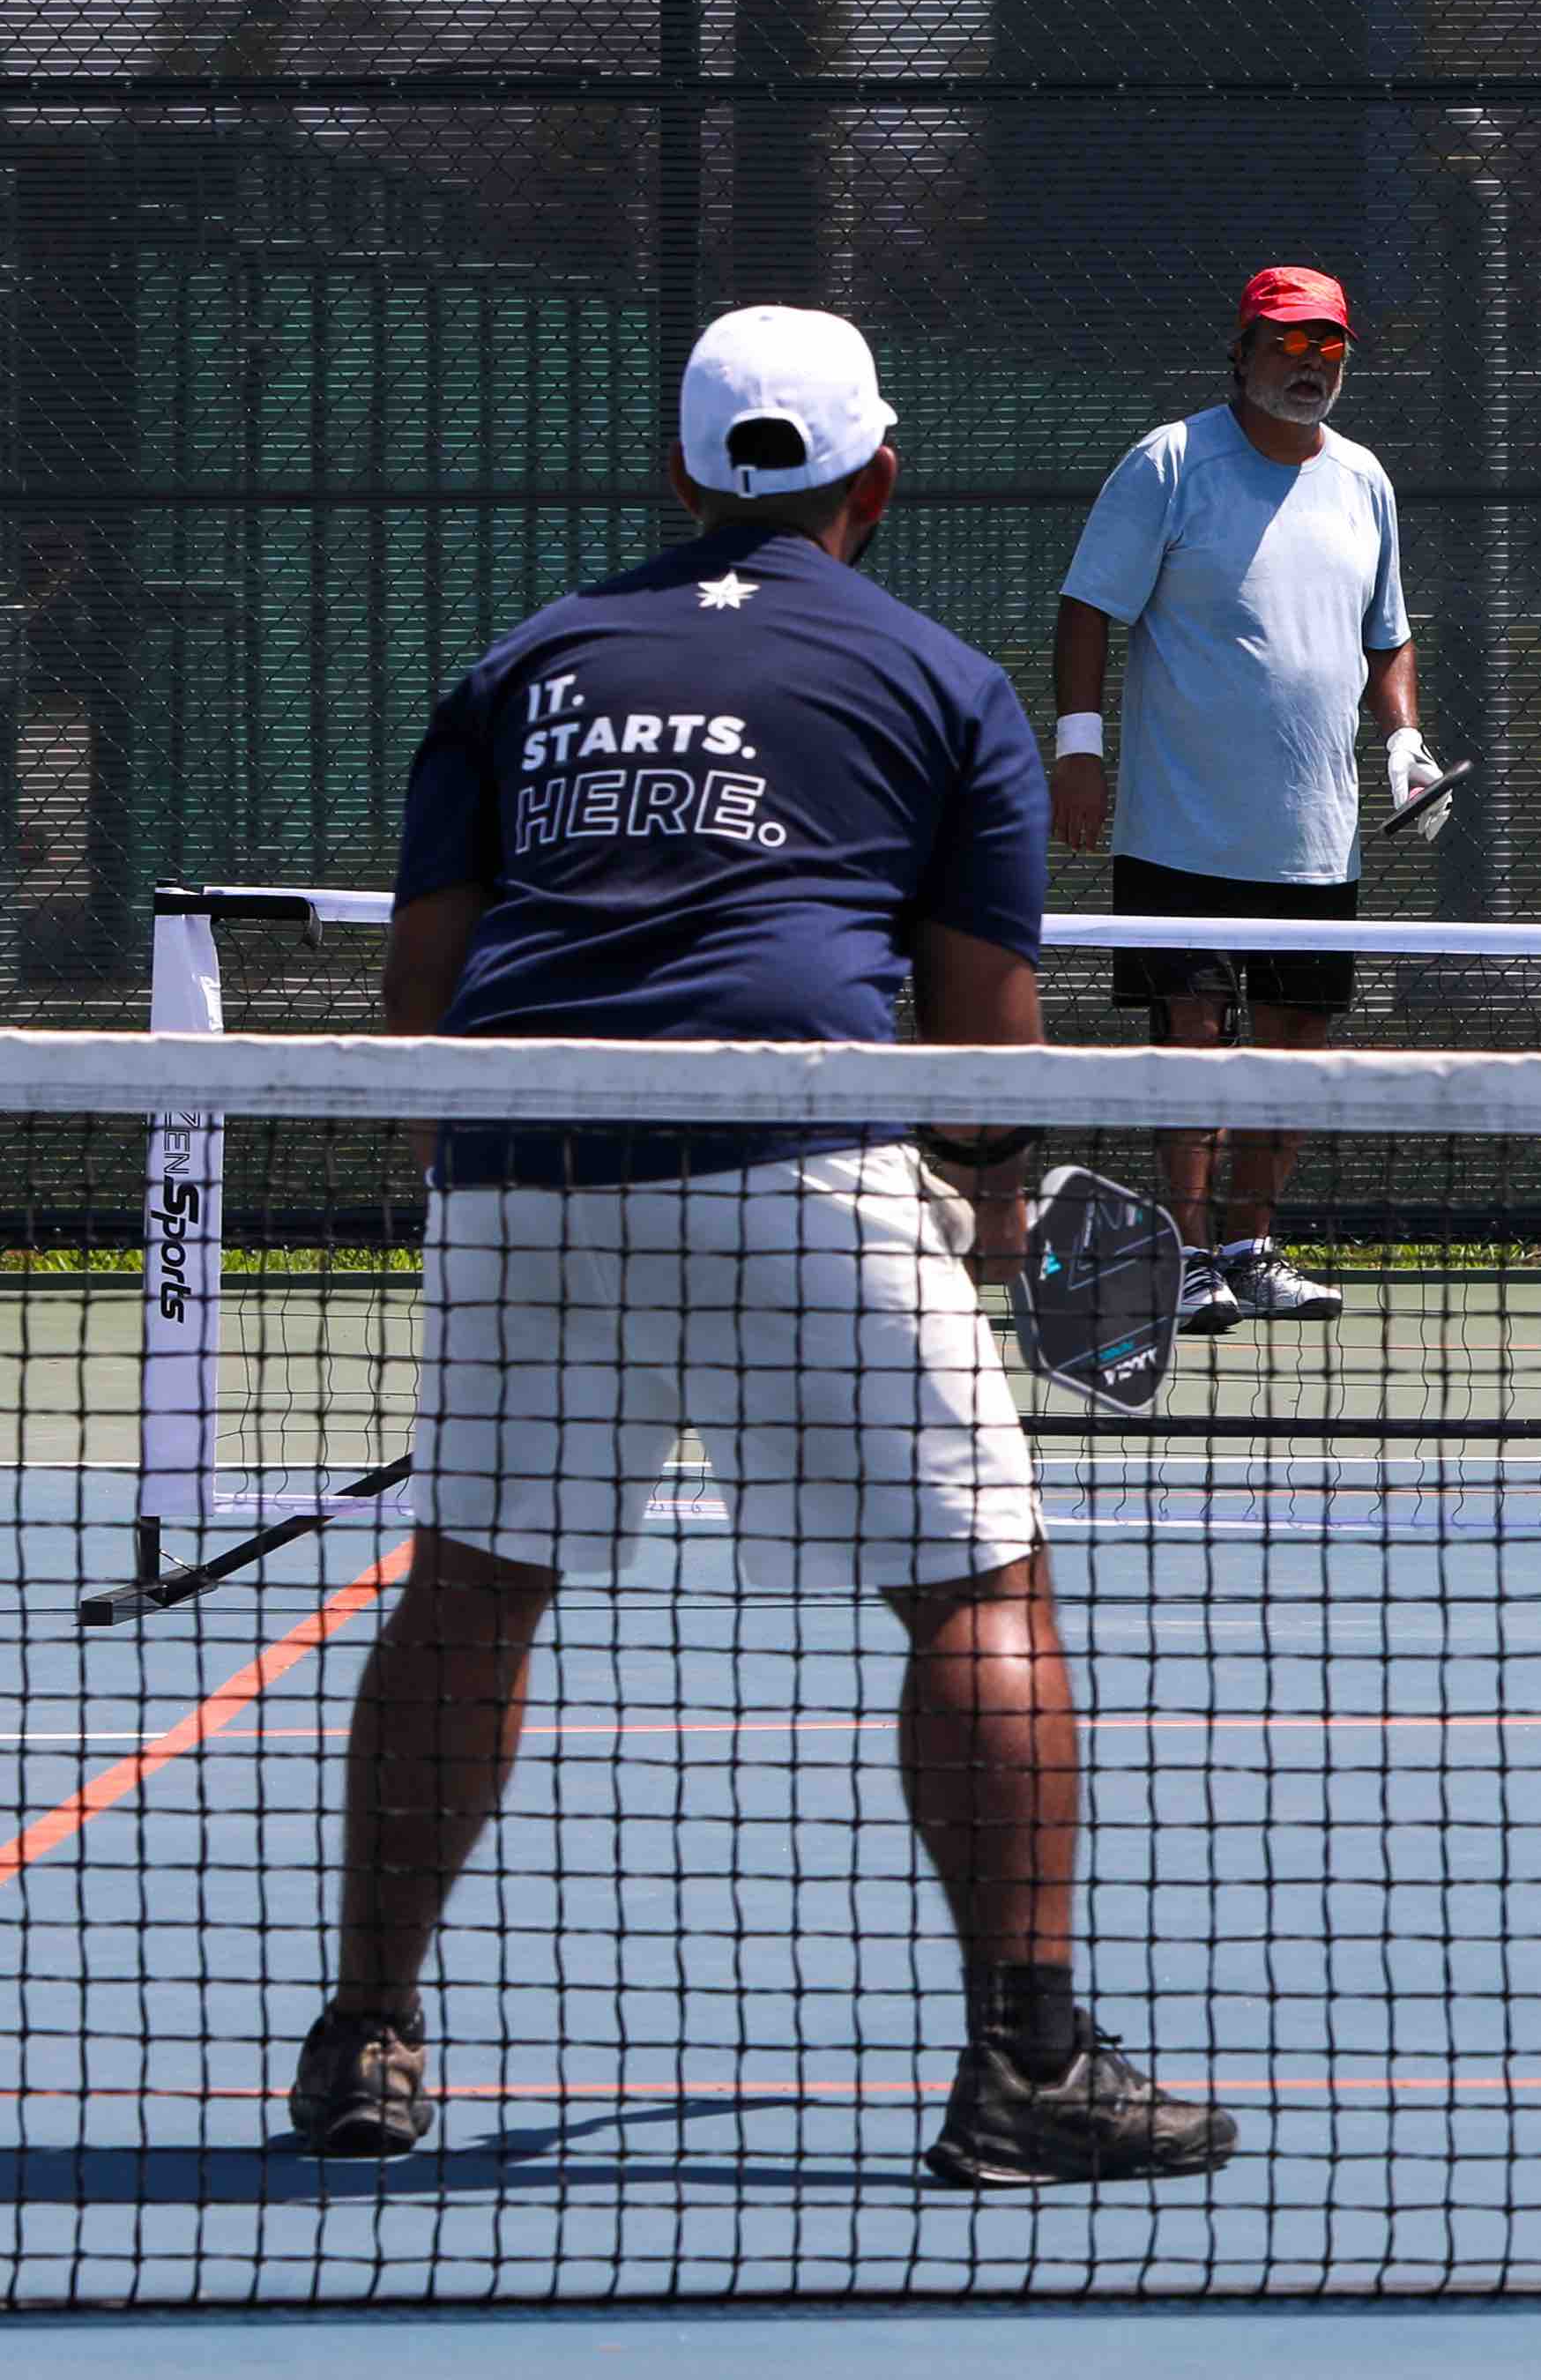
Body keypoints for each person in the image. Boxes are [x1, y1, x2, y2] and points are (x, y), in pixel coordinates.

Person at [296, 305, 1233, 2186]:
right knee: (980, 1593)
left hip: (517, 1150)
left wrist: (505, 1199)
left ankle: (363, 2038)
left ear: (677, 471)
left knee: (476, 1580)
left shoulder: (517, 664)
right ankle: (1029, 2065)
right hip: (794, 1157)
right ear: (876, 477)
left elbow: (423, 992)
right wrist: (977, 1183)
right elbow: (980, 1018)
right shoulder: (946, 681)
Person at [1049, 264, 1449, 1336]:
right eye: (1285, 344)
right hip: (1179, 829)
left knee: (1291, 1045)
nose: (1307, 364)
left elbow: (1386, 630)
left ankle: (1250, 1246)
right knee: (1191, 1033)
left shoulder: (1364, 479)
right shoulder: (1169, 463)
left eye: (1325, 348)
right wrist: (1077, 748)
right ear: (1241, 351)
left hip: (1314, 840)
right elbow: (1087, 608)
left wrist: (1403, 741)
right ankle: (1182, 1259)